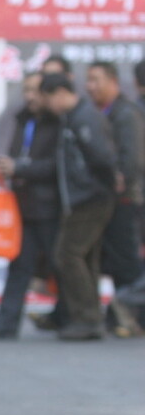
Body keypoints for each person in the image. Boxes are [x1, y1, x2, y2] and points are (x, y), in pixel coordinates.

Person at [0, 73, 62, 339]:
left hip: (50, 206)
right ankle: (5, 322)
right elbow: (20, 156)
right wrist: (7, 167)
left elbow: (56, 166)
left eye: (35, 91)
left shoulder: (57, 123)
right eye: (26, 90)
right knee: (19, 265)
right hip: (24, 204)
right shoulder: (22, 119)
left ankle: (74, 317)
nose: (29, 96)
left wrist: (21, 167)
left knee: (60, 265)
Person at [39, 72, 118, 341]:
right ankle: (89, 317)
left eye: (48, 99)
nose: (48, 106)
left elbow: (103, 159)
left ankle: (87, 318)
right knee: (85, 258)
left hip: (89, 198)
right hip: (85, 197)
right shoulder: (74, 118)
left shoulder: (85, 118)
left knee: (67, 255)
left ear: (60, 92)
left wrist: (103, 187)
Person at [85, 61, 145, 336]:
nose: (90, 86)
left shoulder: (125, 113)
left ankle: (129, 314)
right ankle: (122, 315)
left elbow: (131, 159)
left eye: (96, 80)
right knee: (117, 260)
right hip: (109, 197)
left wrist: (122, 186)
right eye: (88, 80)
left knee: (126, 261)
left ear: (114, 82)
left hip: (125, 199)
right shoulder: (103, 112)